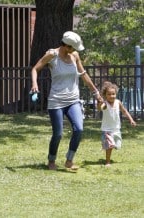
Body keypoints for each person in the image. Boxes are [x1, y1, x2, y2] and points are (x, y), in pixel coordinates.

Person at [30, 31, 103, 170]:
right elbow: (35, 69)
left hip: (73, 100)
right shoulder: (52, 55)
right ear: (66, 46)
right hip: (56, 101)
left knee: (79, 129)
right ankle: (51, 161)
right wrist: (35, 84)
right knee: (58, 134)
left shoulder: (75, 56)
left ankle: (69, 160)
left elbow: (84, 75)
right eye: (73, 48)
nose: (75, 50)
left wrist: (96, 93)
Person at [97, 81, 136, 167]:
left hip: (116, 129)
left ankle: (107, 145)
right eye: (109, 94)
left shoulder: (118, 102)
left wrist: (131, 120)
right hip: (107, 129)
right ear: (105, 95)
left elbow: (124, 111)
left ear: (116, 94)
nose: (111, 96)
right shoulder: (105, 104)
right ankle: (107, 162)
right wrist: (99, 103)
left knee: (117, 145)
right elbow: (100, 108)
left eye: (113, 94)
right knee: (110, 145)